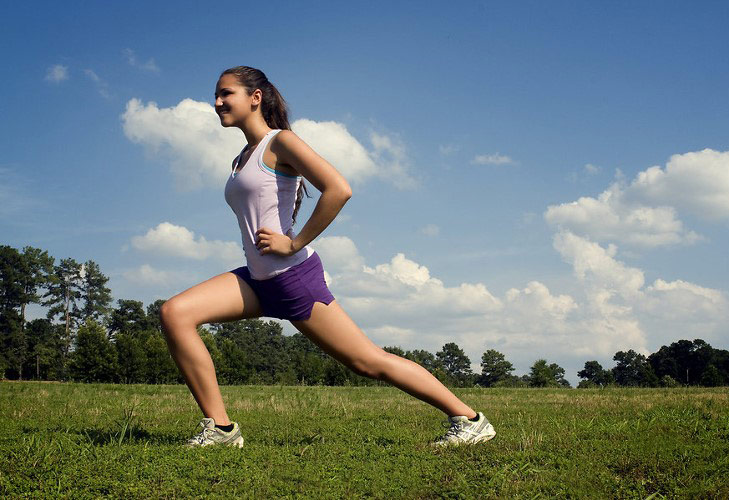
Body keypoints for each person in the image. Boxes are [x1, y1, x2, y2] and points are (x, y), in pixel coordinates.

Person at [159, 65, 496, 448]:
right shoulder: (242, 157)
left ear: (255, 98)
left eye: (226, 94)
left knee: (367, 362)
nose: (217, 102)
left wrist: (294, 241)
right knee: (176, 313)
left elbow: (338, 188)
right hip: (257, 279)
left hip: (292, 277)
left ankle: (470, 419)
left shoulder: (280, 142)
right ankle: (220, 429)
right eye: (216, 95)